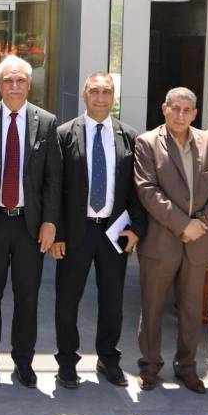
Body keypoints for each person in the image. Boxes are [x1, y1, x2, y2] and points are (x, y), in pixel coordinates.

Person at [0, 55, 61, 388]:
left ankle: (24, 360)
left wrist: (50, 222)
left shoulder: (46, 122)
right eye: (8, 80)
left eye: (20, 80)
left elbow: (53, 179)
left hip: (29, 226)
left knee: (27, 296)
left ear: (29, 84)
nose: (15, 86)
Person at [50, 73, 146, 389]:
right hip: (75, 232)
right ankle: (67, 363)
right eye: (95, 91)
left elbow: (137, 189)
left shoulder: (129, 136)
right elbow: (55, 188)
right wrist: (57, 233)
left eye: (106, 91)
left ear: (113, 96)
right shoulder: (65, 134)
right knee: (67, 302)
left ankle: (108, 359)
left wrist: (136, 228)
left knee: (112, 301)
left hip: (114, 232)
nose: (101, 97)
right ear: (84, 94)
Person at [134, 87, 208, 394]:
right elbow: (147, 190)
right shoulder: (147, 142)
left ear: (195, 113)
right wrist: (182, 225)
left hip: (198, 240)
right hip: (161, 241)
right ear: (164, 109)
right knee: (151, 306)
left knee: (191, 309)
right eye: (175, 108)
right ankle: (149, 366)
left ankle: (187, 367)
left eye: (187, 110)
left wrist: (201, 223)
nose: (180, 114)